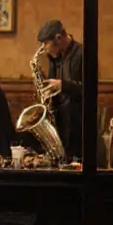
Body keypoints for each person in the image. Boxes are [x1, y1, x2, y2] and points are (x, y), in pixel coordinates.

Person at [36, 19, 85, 161]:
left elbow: (90, 89)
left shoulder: (82, 53)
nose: (43, 48)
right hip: (61, 125)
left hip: (78, 127)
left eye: (46, 43)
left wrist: (63, 85)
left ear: (58, 38)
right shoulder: (54, 58)